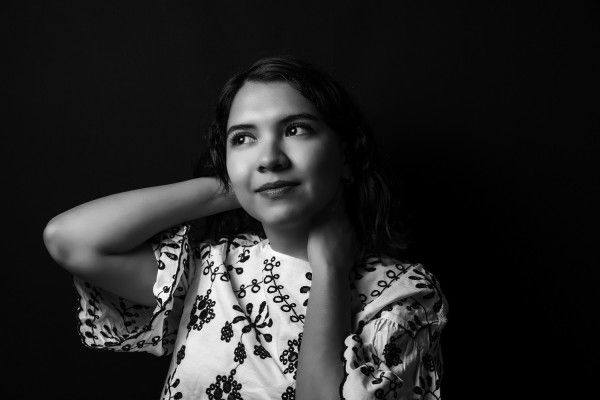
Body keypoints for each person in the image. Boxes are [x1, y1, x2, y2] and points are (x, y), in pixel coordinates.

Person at [43, 56, 449, 400]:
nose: (269, 158)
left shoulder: (401, 295)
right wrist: (235, 184)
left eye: (296, 129)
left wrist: (330, 271)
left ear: (347, 154)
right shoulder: (212, 269)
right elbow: (69, 240)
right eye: (243, 139)